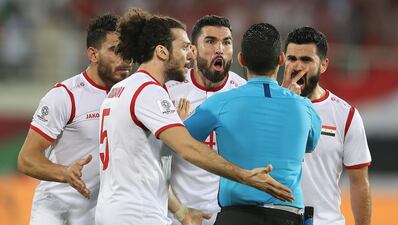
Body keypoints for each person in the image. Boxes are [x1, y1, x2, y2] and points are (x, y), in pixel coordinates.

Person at [95, 8, 293, 225]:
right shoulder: (150, 92)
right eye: (184, 47)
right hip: (138, 214)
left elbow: (149, 161)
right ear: (162, 52)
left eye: (226, 42)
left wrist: (182, 212)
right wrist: (245, 176)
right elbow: (187, 147)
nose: (190, 55)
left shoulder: (121, 89)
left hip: (117, 208)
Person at [182, 22, 322, 225]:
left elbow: (181, 141)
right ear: (281, 59)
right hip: (289, 216)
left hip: (238, 217)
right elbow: (310, 145)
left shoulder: (219, 103)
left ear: (241, 59)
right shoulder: (304, 107)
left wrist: (178, 120)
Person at [17, 14, 132, 225]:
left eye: (128, 51)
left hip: (100, 213)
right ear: (93, 54)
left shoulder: (133, 97)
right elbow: (26, 159)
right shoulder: (65, 96)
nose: (125, 59)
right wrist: (65, 173)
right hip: (56, 210)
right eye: (115, 50)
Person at [283, 26, 372, 225]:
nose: (297, 66)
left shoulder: (345, 115)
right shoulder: (267, 107)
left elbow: (359, 182)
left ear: (323, 65)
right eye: (292, 59)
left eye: (306, 60)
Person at [165, 15, 246, 225]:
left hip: (227, 216)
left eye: (226, 42)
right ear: (193, 50)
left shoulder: (244, 93)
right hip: (175, 216)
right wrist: (175, 134)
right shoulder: (168, 90)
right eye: (210, 41)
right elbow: (150, 158)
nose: (219, 49)